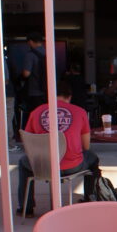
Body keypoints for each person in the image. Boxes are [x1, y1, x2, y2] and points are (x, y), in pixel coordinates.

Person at [17, 80, 101, 217]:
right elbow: (86, 146)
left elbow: (29, 145)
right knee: (93, 158)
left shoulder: (36, 112)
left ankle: (26, 208)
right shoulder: (80, 112)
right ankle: (90, 198)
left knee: (23, 163)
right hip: (72, 166)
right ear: (70, 96)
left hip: (42, 166)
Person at [19, 32, 47, 115]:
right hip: (48, 90)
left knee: (35, 114)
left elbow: (26, 73)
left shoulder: (30, 55)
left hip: (34, 90)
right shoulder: (49, 53)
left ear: (30, 42)